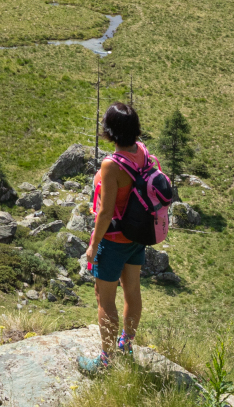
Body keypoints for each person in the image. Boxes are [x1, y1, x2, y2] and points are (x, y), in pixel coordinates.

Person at [78, 102, 155, 373]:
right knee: (132, 290)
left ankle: (105, 361)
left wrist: (93, 244)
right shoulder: (142, 152)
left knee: (105, 297)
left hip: (112, 241)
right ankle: (126, 344)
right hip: (137, 236)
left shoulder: (111, 164)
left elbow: (106, 212)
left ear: (110, 131)